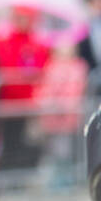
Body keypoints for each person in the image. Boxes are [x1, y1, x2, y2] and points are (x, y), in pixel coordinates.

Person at [0, 5, 50, 178]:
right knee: (9, 141)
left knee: (30, 142)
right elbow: (3, 67)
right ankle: (6, 175)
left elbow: (44, 67)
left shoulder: (38, 43)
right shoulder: (4, 41)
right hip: (9, 102)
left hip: (31, 102)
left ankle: (23, 175)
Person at [35, 40, 88, 189]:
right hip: (53, 117)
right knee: (55, 151)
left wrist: (65, 105)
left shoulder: (78, 67)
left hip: (69, 116)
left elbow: (76, 91)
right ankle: (57, 181)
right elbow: (45, 90)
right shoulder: (51, 67)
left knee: (66, 151)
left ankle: (66, 180)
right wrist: (48, 104)